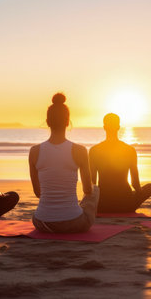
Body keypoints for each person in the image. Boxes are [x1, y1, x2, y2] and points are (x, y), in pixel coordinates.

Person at [29, 93, 99, 233]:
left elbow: (38, 193)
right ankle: (71, 209)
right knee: (95, 189)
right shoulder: (79, 150)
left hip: (42, 222)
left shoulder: (34, 151)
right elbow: (87, 190)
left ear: (47, 122)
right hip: (73, 222)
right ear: (68, 122)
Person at [89, 113, 151, 213]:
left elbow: (92, 183)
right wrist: (139, 194)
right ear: (118, 127)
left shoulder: (94, 150)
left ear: (104, 127)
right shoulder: (130, 150)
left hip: (103, 204)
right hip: (126, 203)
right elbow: (135, 184)